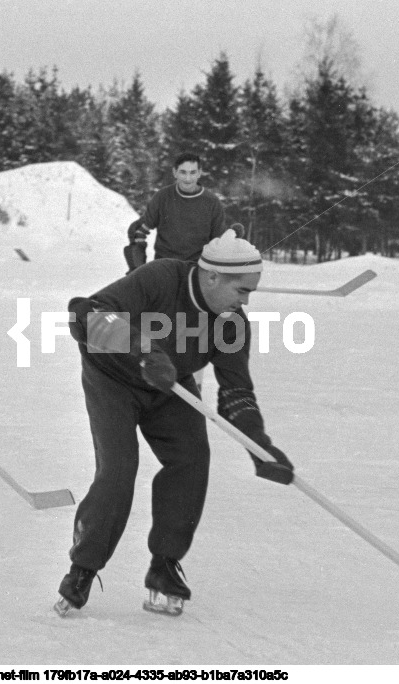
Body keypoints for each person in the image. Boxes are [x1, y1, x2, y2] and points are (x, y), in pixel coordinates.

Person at [56, 229, 294, 617]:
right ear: (213, 277)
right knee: (119, 469)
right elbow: (87, 315)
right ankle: (82, 568)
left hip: (170, 385)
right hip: (113, 376)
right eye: (242, 290)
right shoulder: (160, 278)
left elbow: (237, 392)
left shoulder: (231, 323)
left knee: (191, 460)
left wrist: (258, 443)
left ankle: (164, 565)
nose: (245, 301)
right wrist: (145, 350)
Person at [124, 152, 227, 273]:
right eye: (183, 172)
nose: (188, 178)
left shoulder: (212, 202)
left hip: (196, 272)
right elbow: (138, 231)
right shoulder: (163, 197)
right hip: (164, 269)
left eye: (192, 172)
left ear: (199, 173)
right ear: (175, 172)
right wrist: (138, 269)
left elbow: (219, 242)